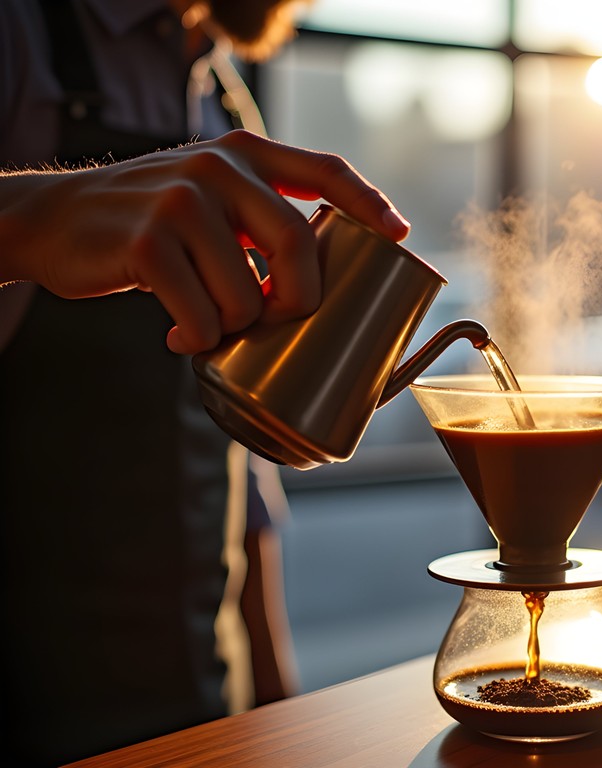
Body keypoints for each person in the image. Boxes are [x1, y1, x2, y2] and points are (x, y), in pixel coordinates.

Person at [0, 1, 410, 765]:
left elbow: (238, 470)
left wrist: (277, 709)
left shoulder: (221, 95)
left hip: (203, 708)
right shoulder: (18, 35)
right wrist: (26, 219)